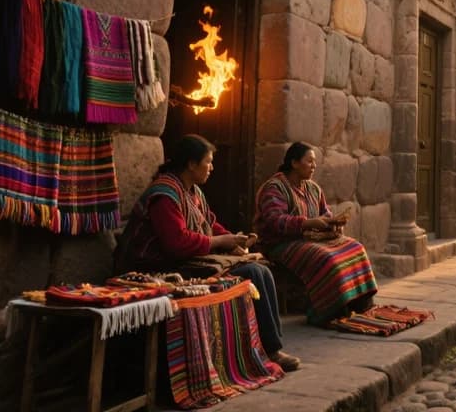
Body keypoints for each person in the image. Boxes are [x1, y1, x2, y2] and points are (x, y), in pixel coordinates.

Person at [116, 134, 300, 372]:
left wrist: (234, 241)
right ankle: (271, 349)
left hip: (183, 260)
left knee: (262, 270)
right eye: (208, 162)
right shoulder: (165, 195)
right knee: (253, 272)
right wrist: (220, 241)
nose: (212, 168)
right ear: (192, 164)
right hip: (157, 267)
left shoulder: (193, 192)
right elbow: (177, 243)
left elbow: (209, 223)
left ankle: (271, 346)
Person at [255, 142, 378, 326]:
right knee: (327, 258)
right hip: (281, 244)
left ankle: (358, 304)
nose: (314, 166)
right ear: (294, 163)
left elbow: (325, 213)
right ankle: (329, 311)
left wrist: (333, 223)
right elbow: (275, 221)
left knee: (355, 248)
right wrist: (307, 223)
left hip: (314, 239)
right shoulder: (275, 188)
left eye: (315, 162)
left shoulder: (313, 188)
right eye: (309, 161)